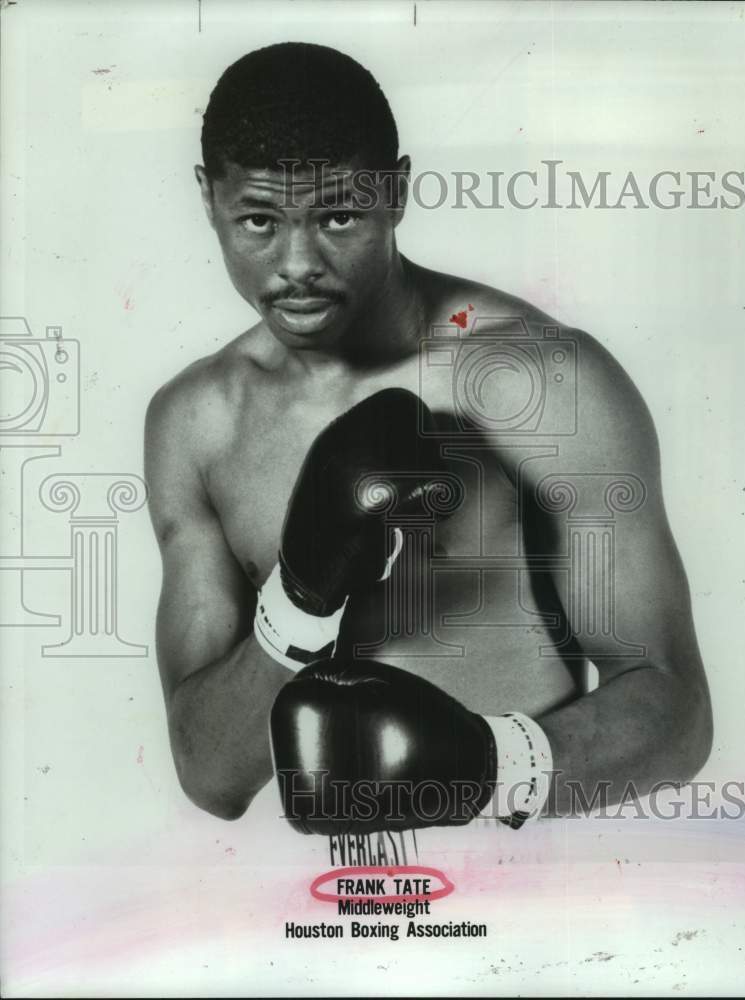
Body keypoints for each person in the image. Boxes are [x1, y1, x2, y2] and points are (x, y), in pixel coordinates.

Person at [144, 42, 712, 831]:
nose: (297, 263)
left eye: (338, 215)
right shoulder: (197, 424)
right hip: (310, 915)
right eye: (260, 221)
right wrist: (300, 600)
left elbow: (677, 714)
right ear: (209, 198)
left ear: (397, 192)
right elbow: (211, 774)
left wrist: (483, 769)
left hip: (528, 886)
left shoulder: (540, 381)